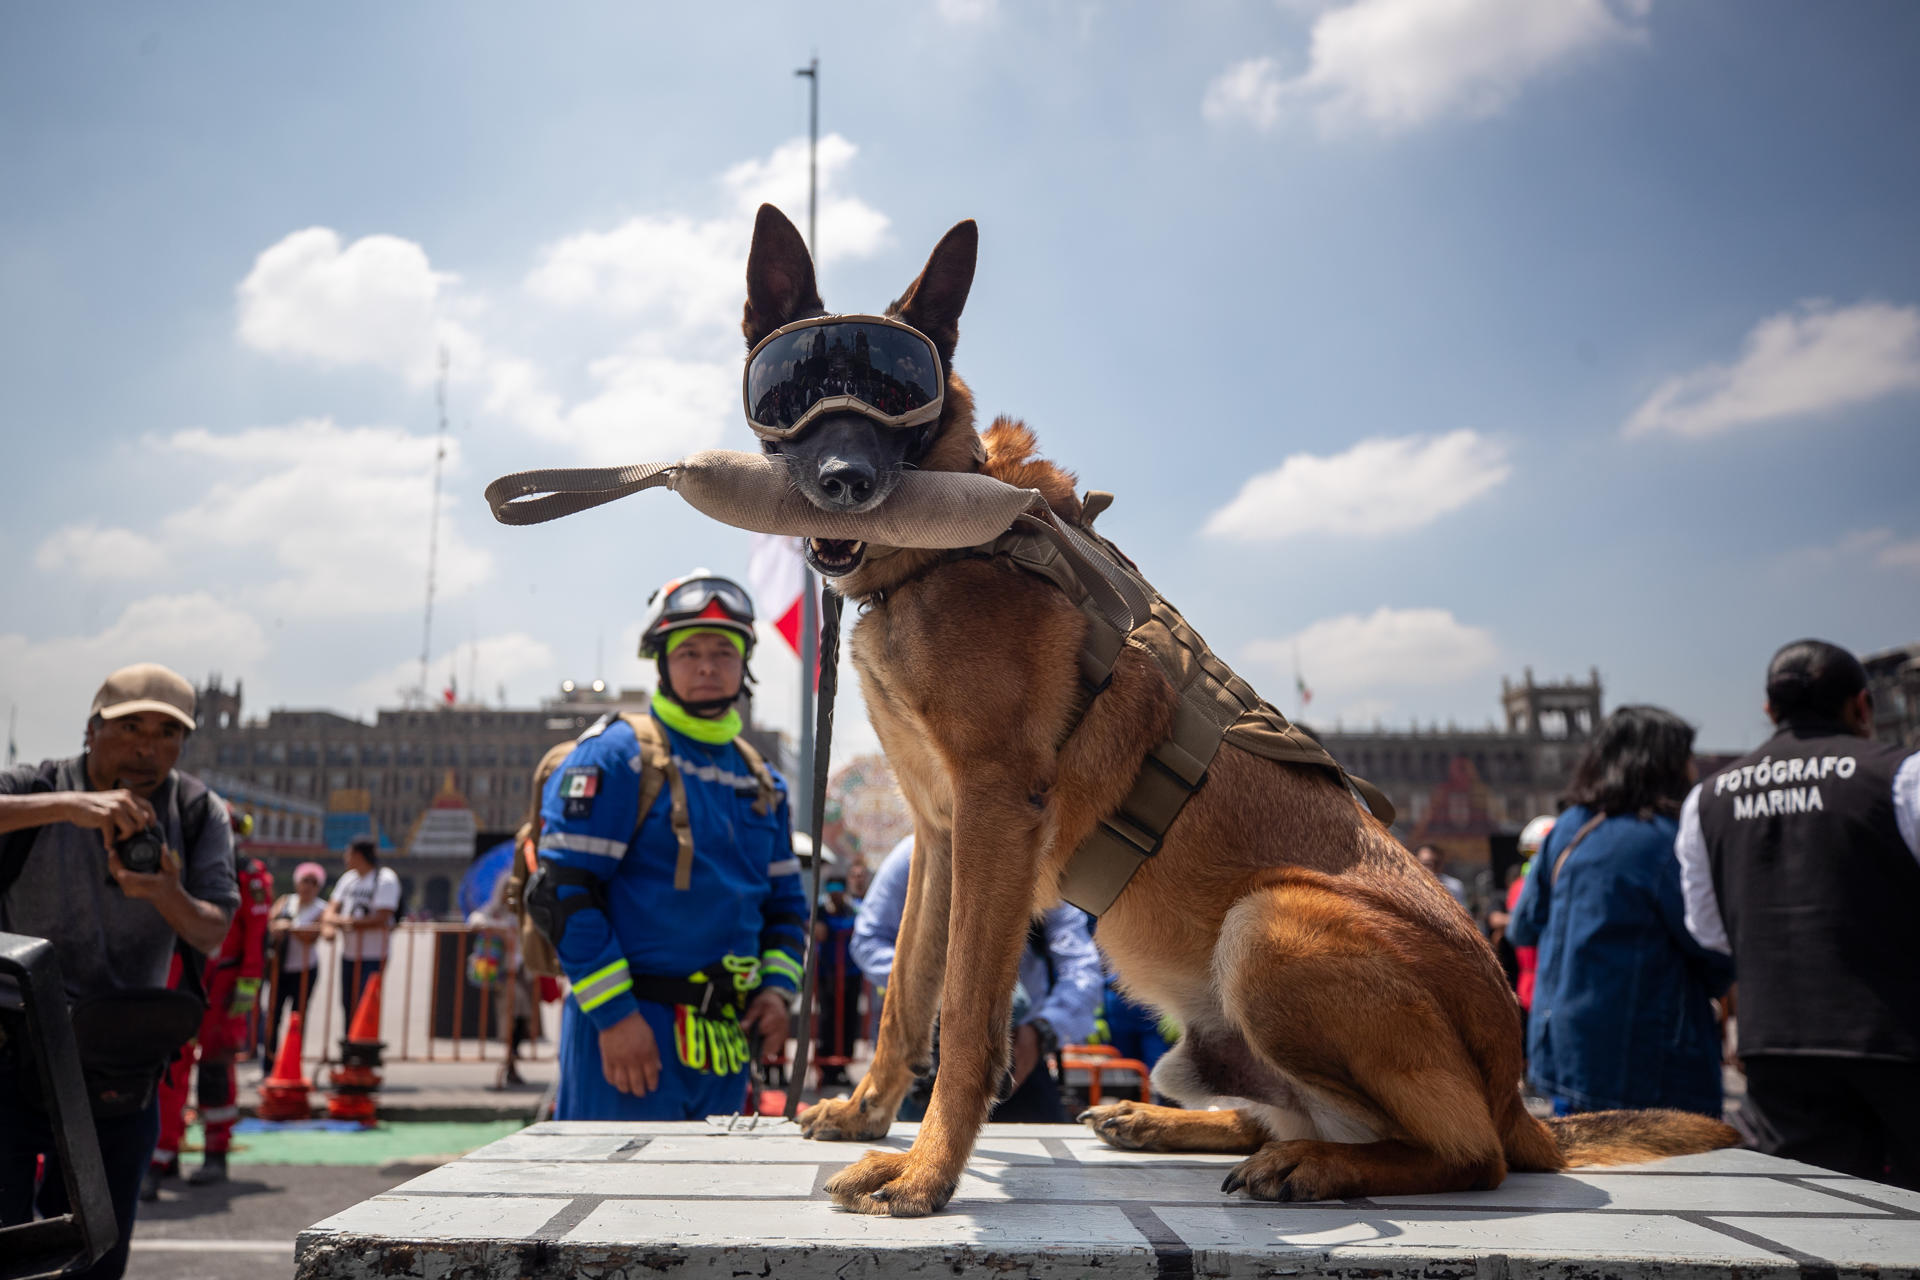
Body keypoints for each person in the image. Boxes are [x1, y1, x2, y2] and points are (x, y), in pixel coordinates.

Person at [531, 570, 807, 1119]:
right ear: (662, 661)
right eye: (690, 652)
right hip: (631, 1032)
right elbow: (561, 893)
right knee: (608, 1200)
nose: (707, 665)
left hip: (725, 1045)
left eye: (724, 652)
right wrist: (615, 1018)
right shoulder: (617, 756)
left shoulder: (762, 782)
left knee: (710, 1202)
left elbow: (786, 910)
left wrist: (777, 993)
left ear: (744, 666)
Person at [0, 663, 238, 1280]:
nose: (146, 747)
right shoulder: (41, 786)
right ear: (91, 729)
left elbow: (213, 930)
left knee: (97, 1260)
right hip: (12, 1047)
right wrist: (68, 807)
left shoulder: (194, 809)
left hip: (119, 1062)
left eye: (167, 733)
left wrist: (165, 892)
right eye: (130, 726)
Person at [1676, 639, 1920, 1187]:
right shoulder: (1902, 774)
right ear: (1863, 706)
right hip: (1900, 1038)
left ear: (1770, 711)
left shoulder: (1707, 799)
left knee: (1821, 1216)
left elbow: (1709, 931)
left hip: (1778, 1047)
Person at [1508, 706, 1732, 1118]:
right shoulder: (1667, 838)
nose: (1692, 767)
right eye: (1685, 755)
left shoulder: (1568, 827)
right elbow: (1712, 949)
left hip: (1561, 1049)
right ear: (1662, 764)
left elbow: (1523, 927)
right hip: (1650, 1057)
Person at [852, 834, 1103, 1122]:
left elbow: (1081, 968)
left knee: (1051, 1158)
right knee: (913, 1153)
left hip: (1016, 1052)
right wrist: (939, 986)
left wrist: (1041, 1032)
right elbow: (867, 941)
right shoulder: (912, 856)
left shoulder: (1040, 862)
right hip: (929, 1053)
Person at [145, 809, 273, 1197]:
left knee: (216, 1066)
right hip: (184, 976)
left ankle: (216, 1152)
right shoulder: (180, 870)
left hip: (226, 983)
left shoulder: (249, 876)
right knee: (171, 1066)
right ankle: (163, 1154)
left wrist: (248, 985)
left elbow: (256, 936)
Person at [320, 835, 401, 1026]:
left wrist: (345, 922)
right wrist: (332, 922)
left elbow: (382, 916)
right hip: (349, 953)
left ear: (357, 854)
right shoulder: (348, 879)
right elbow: (331, 908)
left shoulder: (385, 879)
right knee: (347, 1002)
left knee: (366, 1001)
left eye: (348, 853)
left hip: (374, 954)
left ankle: (364, 1048)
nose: (345, 858)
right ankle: (349, 1044)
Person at [262, 861, 328, 1071]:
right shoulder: (285, 901)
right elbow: (269, 923)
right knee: (274, 1015)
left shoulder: (321, 908)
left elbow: (314, 935)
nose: (308, 886)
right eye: (305, 881)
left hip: (305, 970)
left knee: (298, 1017)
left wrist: (290, 927)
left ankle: (292, 1063)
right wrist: (279, 927)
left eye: (313, 882)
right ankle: (269, 1064)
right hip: (280, 968)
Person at [812, 869, 862, 1087]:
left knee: (849, 1020)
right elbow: (818, 931)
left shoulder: (853, 911)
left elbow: (857, 928)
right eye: (831, 891)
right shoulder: (821, 911)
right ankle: (827, 1068)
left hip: (850, 974)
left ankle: (843, 1066)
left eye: (838, 890)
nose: (835, 895)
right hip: (827, 974)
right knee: (828, 1019)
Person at [1415, 843, 1469, 909]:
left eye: (1436, 863)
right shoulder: (1407, 886)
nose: (1432, 867)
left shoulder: (1454, 886)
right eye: (1426, 864)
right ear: (1415, 863)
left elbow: (1463, 914)